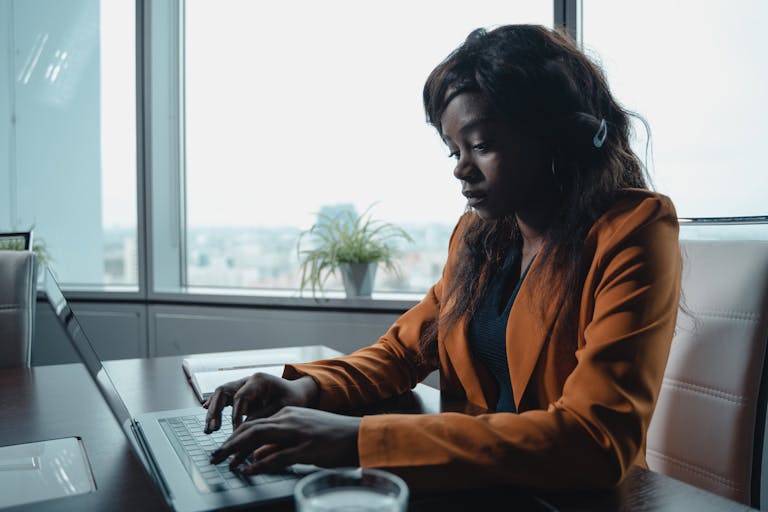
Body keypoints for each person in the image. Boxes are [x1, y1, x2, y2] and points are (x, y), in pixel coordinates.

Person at [204, 24, 682, 493]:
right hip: (475, 487)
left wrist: (357, 441)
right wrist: (304, 390)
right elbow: (403, 352)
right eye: (453, 149)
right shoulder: (481, 238)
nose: (460, 167)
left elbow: (594, 440)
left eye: (481, 145)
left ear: (558, 137)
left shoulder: (634, 231)